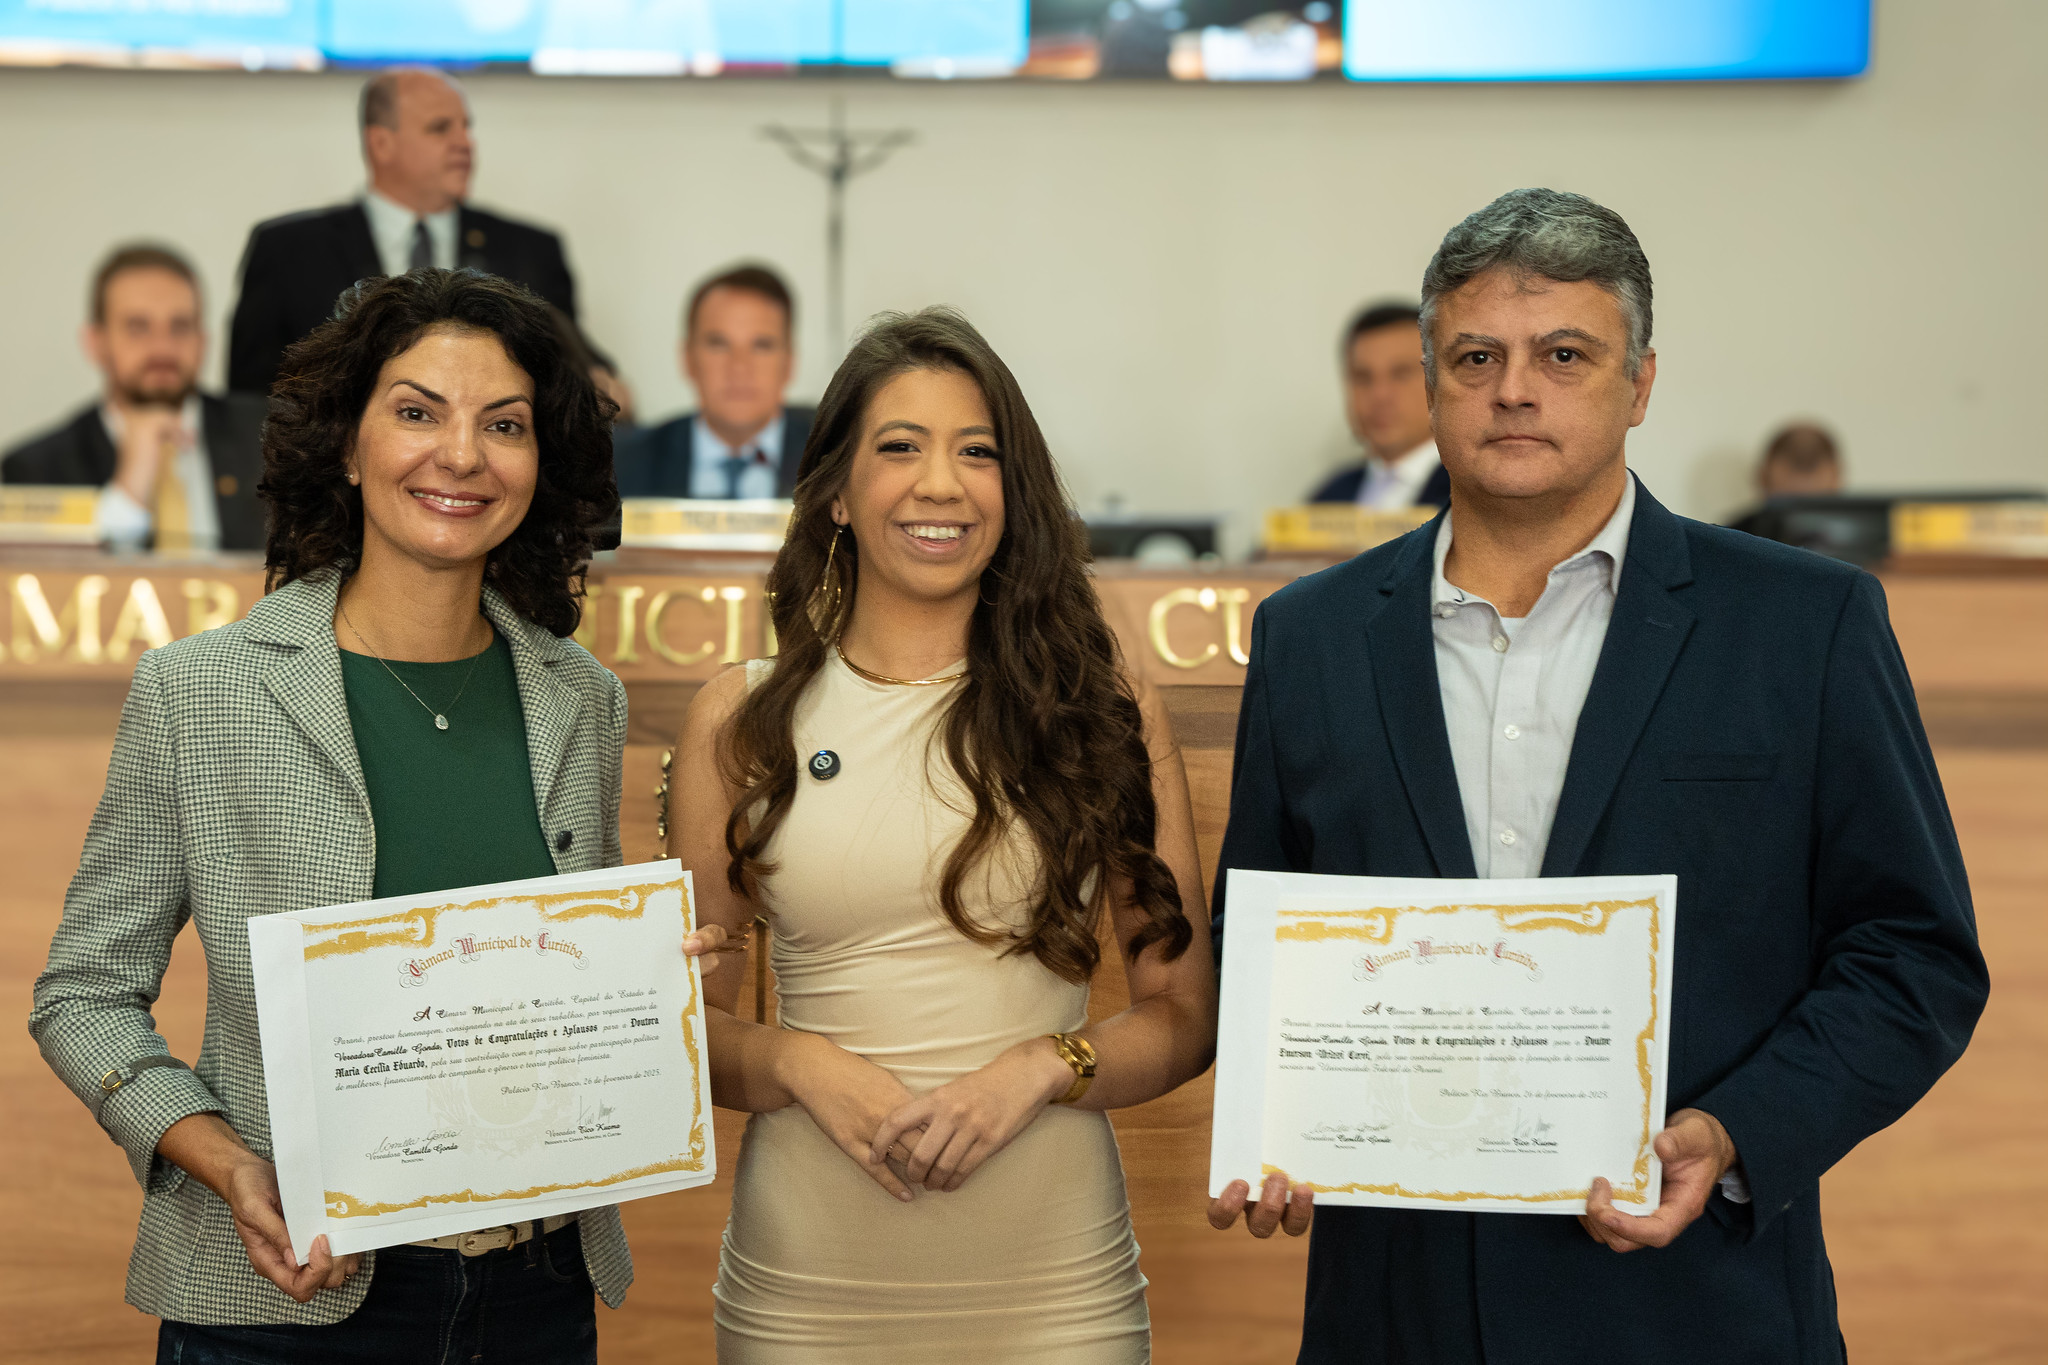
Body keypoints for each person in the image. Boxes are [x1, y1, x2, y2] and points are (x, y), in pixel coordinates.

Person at [1207, 189, 1986, 1364]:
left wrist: (1732, 1133)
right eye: (1475, 356)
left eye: (1562, 354)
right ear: (1429, 384)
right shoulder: (1309, 638)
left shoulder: (1801, 623)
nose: (1512, 388)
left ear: (1639, 383)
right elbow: (1261, 936)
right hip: (1395, 1311)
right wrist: (1277, 1124)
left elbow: (1913, 954)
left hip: (1691, 1307)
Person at [30, 268, 724, 1363]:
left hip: (535, 1297)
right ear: (346, 448)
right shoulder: (200, 692)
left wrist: (644, 986)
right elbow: (83, 997)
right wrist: (227, 1163)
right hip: (283, 1303)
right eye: (415, 412)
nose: (460, 455)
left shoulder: (580, 697)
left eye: (503, 425)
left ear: (539, 467)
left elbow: (540, 983)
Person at [668, 308, 1219, 1361]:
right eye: (899, 448)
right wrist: (799, 1065)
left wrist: (1040, 1067)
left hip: (1055, 1291)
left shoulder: (1100, 706)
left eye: (977, 451)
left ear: (1014, 493)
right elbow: (689, 1032)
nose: (940, 483)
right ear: (835, 491)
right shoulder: (738, 722)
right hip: (804, 1295)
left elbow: (1181, 1015)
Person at [227, 68, 580, 397]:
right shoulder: (289, 251)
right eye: (441, 128)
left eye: (466, 127)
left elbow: (569, 385)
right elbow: (250, 402)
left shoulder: (531, 252)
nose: (465, 142)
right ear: (381, 144)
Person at [2, 244, 266, 552]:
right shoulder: (38, 469)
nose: (163, 348)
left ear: (203, 340)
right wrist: (128, 491)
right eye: (138, 327)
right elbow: (41, 587)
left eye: (180, 326)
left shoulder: (274, 437)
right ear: (96, 343)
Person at [612, 265, 815, 500]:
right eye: (718, 344)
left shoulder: (834, 466)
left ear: (789, 363)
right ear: (688, 359)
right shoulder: (620, 465)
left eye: (762, 346)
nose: (739, 367)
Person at [1308, 302, 1450, 510]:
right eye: (1363, 377)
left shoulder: (1477, 496)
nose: (1380, 395)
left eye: (1401, 374)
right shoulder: (1331, 495)